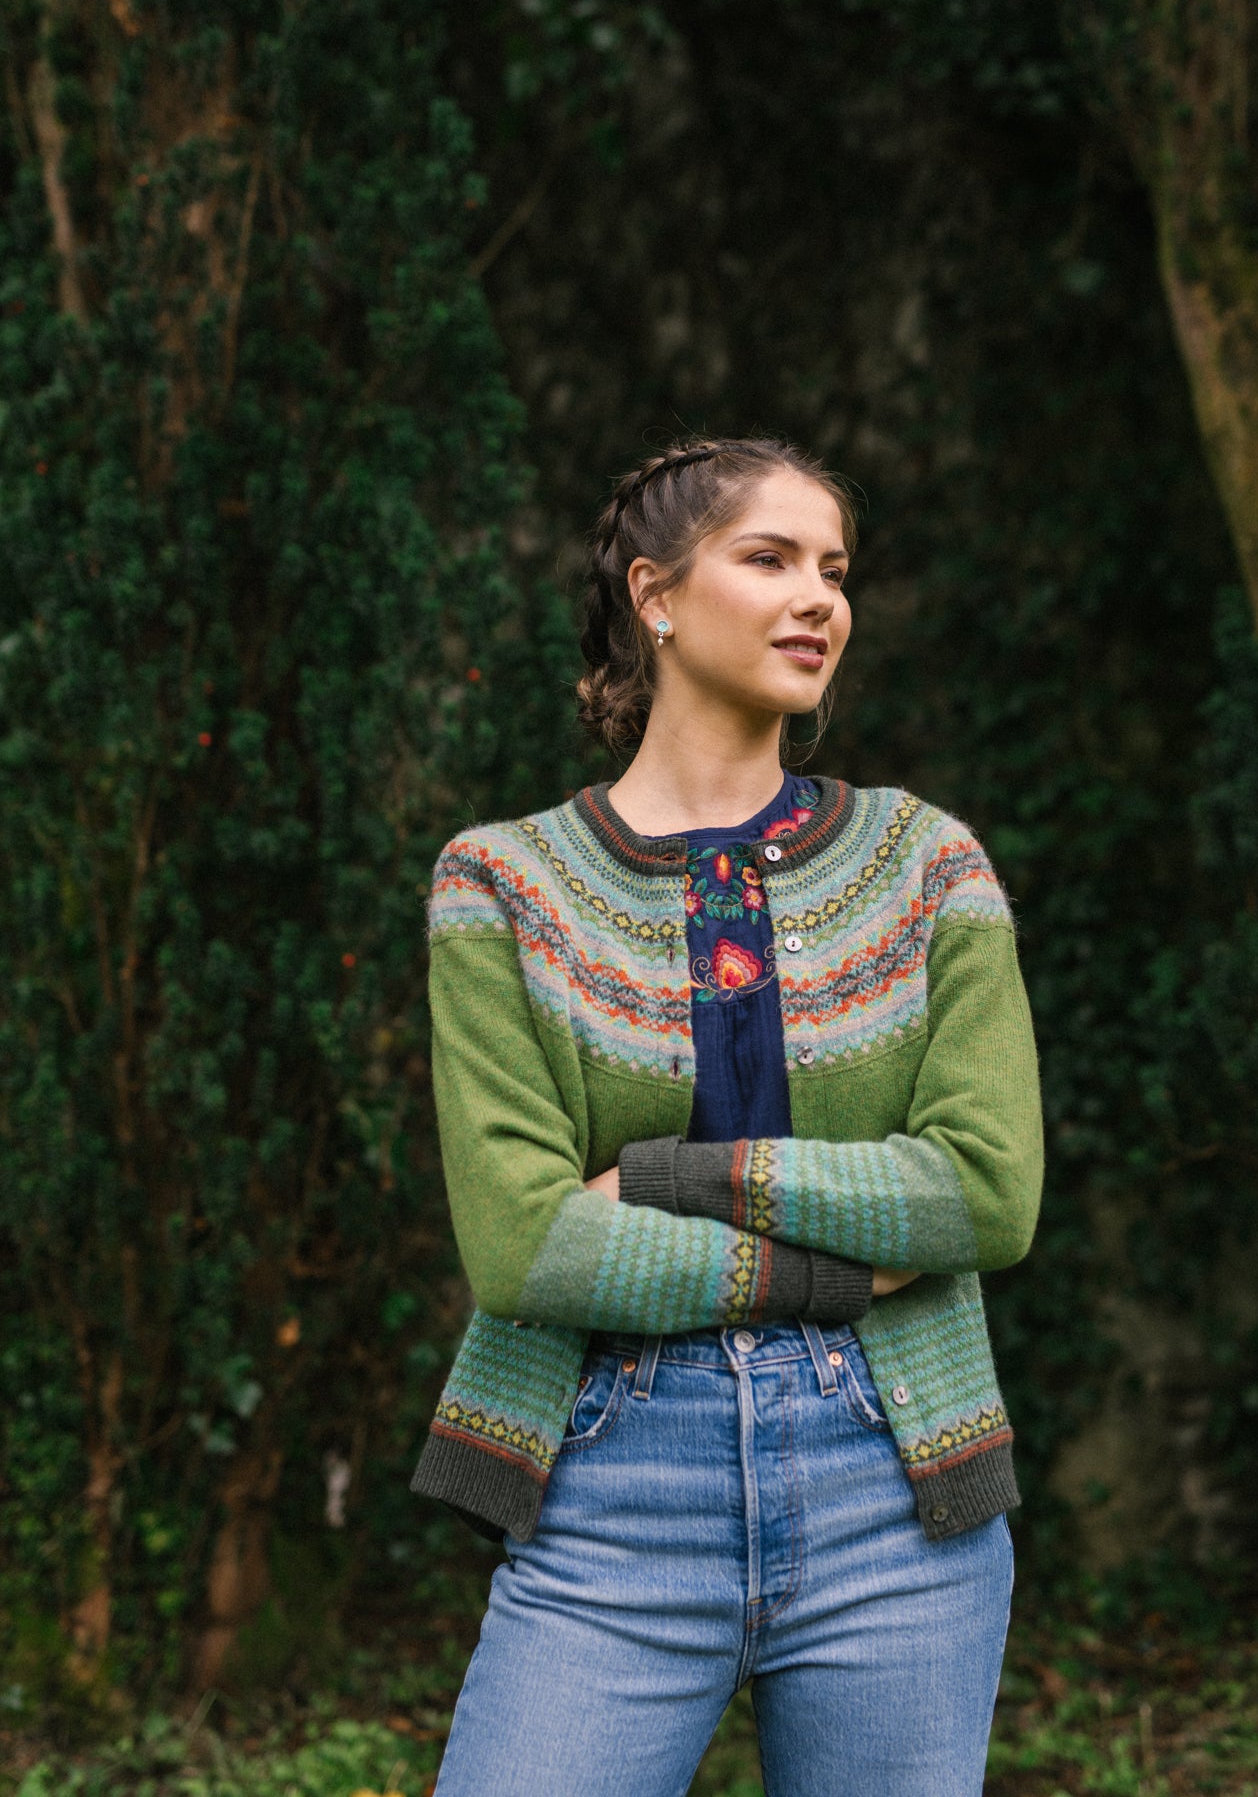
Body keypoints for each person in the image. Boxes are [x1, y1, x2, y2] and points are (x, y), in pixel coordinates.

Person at [412, 436, 1043, 1797]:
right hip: (610, 1487)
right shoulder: (501, 886)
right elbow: (528, 1251)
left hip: (897, 1490)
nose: (818, 595)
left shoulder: (926, 862)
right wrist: (842, 1264)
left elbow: (985, 1199)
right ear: (655, 593)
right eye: (769, 558)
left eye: (835, 569)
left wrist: (661, 1178)